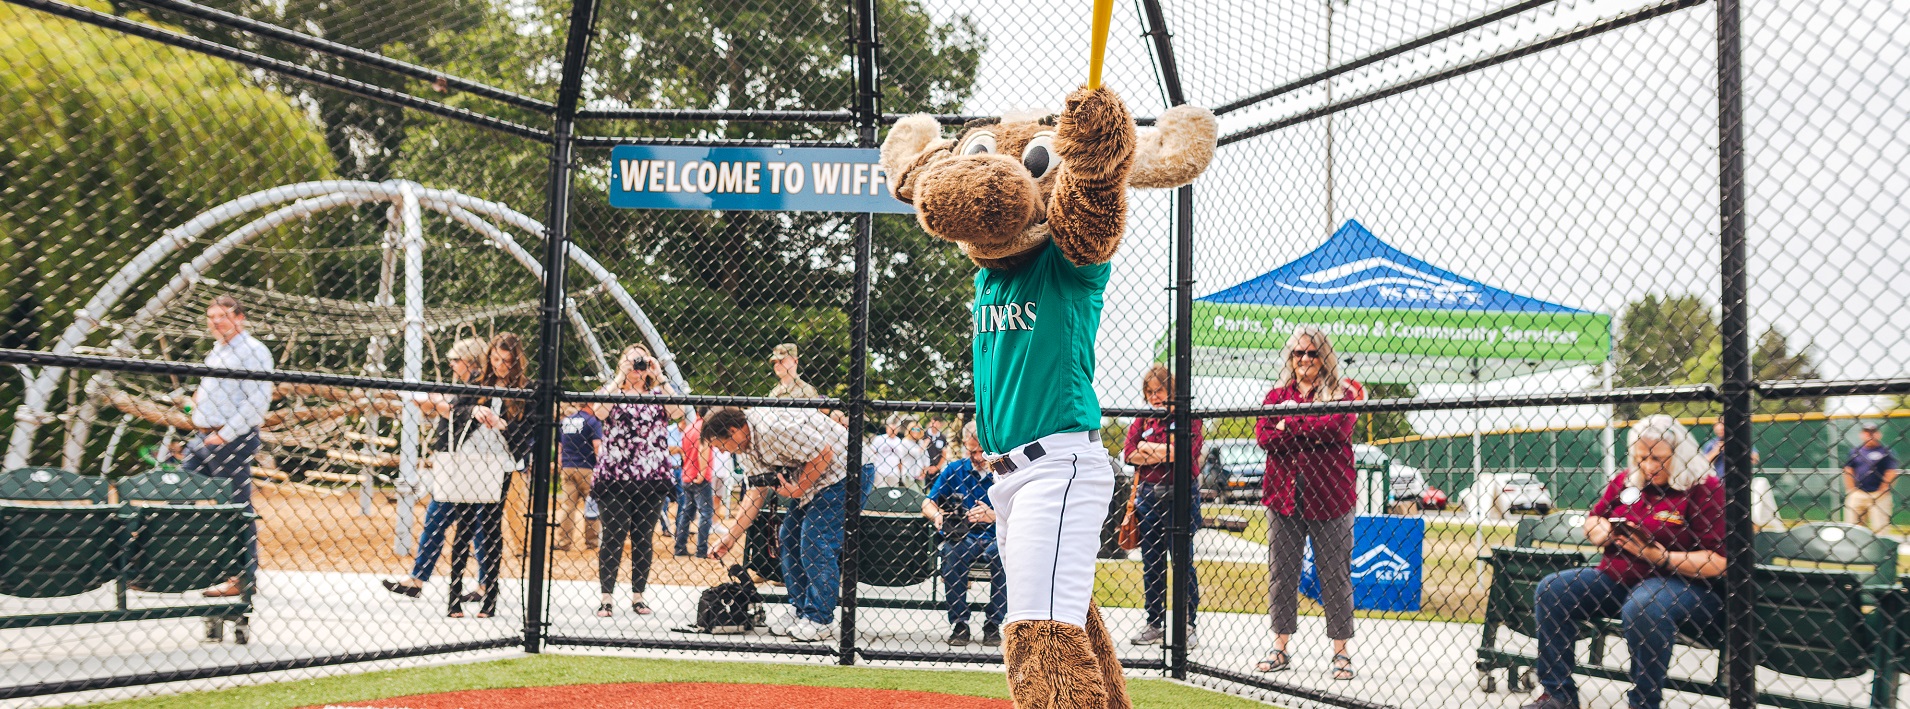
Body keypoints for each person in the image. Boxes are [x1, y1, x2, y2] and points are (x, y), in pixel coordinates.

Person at [1521, 415, 1726, 709]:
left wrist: (1662, 557)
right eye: (1642, 458)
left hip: (1682, 585)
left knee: (1644, 606)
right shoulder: (1627, 481)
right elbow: (1594, 519)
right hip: (1618, 577)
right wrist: (1600, 531)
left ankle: (1643, 702)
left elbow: (1717, 561)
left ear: (1679, 455)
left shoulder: (1703, 487)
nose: (1649, 466)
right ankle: (1558, 695)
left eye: (1659, 458)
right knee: (1553, 589)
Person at [1253, 326, 1361, 680]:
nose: (1304, 359)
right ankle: (1280, 646)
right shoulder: (1275, 394)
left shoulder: (1343, 392)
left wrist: (1289, 425)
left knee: (1334, 575)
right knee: (1282, 575)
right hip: (1283, 496)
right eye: (1298, 353)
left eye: (1312, 353)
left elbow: (1337, 429)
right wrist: (1307, 424)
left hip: (1331, 497)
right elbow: (1265, 437)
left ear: (1323, 356)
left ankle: (1341, 653)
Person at [380, 338, 507, 618]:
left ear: (470, 360)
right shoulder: (467, 383)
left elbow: (457, 413)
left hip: (463, 464)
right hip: (462, 463)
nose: (451, 363)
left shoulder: (475, 382)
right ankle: (481, 583)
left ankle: (419, 579)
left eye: (455, 358)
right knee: (474, 528)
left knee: (442, 520)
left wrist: (438, 402)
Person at [706, 406, 848, 643]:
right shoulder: (745, 447)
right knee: (788, 536)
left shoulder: (771, 427)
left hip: (844, 472)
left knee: (815, 539)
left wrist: (799, 488)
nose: (721, 451)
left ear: (733, 431)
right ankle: (800, 608)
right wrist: (731, 536)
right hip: (814, 481)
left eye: (720, 445)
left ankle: (819, 619)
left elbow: (824, 453)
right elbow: (756, 492)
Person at [182, 296, 273, 599]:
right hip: (203, 436)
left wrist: (227, 434)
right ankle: (169, 566)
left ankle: (242, 576)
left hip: (229, 439)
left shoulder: (253, 351)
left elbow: (257, 401)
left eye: (222, 316)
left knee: (235, 508)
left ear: (240, 317)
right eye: (211, 316)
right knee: (178, 496)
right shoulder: (218, 351)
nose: (216, 322)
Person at [592, 344, 684, 617]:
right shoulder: (613, 393)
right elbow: (598, 412)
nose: (636, 367)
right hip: (615, 475)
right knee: (613, 536)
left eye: (640, 363)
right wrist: (619, 377)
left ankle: (638, 596)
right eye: (631, 362)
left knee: (643, 537)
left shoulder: (658, 395)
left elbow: (680, 411)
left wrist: (662, 375)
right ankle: (606, 597)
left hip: (651, 477)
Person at [1122, 364, 1203, 649]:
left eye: (1160, 391)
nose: (1155, 397)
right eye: (1150, 392)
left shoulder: (1187, 416)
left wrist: (1150, 449)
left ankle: (1187, 624)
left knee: (1183, 562)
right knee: (1152, 563)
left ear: (1172, 390)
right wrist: (1164, 451)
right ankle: (1153, 622)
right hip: (1148, 497)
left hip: (1182, 495)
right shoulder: (1144, 418)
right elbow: (1129, 454)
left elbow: (1187, 452)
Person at [921, 421, 1007, 648]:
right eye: (972, 451)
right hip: (963, 534)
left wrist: (993, 515)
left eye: (981, 451)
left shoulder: (1004, 471)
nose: (977, 457)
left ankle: (993, 623)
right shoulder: (955, 469)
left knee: (1004, 555)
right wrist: (938, 515)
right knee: (952, 552)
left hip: (997, 534)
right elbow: (927, 503)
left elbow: (1021, 511)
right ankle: (960, 623)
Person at [555, 402, 603, 552]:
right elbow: (597, 445)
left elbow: (559, 447)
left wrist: (562, 464)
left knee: (568, 506)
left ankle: (564, 541)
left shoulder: (566, 421)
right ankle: (592, 541)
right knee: (591, 504)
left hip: (568, 466)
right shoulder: (592, 421)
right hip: (587, 467)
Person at [1843, 421, 1900, 533]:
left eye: (1873, 432)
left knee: (1881, 529)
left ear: (1879, 434)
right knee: (1853, 529)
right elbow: (1848, 470)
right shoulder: (1855, 451)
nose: (1870, 435)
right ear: (1862, 434)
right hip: (1858, 493)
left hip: (1878, 495)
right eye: (1867, 432)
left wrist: (1883, 490)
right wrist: (1852, 490)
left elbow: (1891, 472)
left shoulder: (1886, 451)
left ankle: (1881, 549)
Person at [674, 410, 716, 557]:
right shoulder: (705, 428)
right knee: (706, 513)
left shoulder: (689, 428)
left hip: (687, 473)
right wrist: (702, 471)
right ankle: (702, 550)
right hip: (699, 476)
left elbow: (684, 451)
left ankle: (679, 547)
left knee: (687, 512)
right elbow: (702, 448)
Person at [869, 414, 907, 488]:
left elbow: (900, 460)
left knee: (893, 491)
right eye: (891, 429)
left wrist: (901, 473)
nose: (892, 431)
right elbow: (872, 452)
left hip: (894, 471)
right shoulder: (880, 439)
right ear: (887, 429)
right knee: (881, 489)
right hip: (880, 470)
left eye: (894, 429)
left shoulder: (899, 441)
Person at [899, 416, 935, 491]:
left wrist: (925, 471)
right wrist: (924, 445)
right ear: (909, 430)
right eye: (913, 429)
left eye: (918, 429)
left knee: (921, 495)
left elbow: (926, 458)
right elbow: (915, 453)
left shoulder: (920, 442)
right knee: (914, 493)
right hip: (909, 473)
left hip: (920, 472)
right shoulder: (905, 442)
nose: (915, 431)